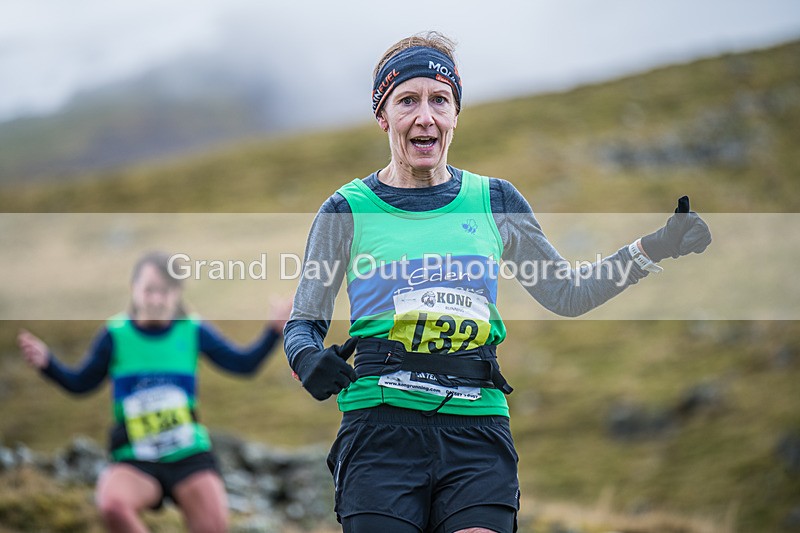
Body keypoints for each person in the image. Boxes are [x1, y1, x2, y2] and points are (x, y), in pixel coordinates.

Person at [283, 31, 711, 533]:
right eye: (408, 101)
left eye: (440, 100)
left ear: (456, 114)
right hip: (379, 430)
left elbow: (567, 294)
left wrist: (654, 247)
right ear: (383, 115)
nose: (426, 116)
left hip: (476, 429)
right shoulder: (345, 210)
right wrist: (306, 357)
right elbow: (302, 323)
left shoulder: (497, 202)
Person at [17, 251, 290, 533]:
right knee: (111, 503)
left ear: (177, 294)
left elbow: (243, 365)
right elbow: (81, 383)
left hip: (188, 455)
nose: (157, 300)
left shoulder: (192, 330)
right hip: (135, 457)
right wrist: (48, 364)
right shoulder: (115, 334)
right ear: (134, 290)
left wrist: (273, 331)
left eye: (166, 291)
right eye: (149, 290)